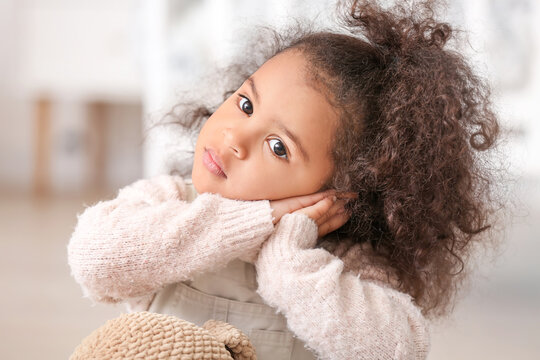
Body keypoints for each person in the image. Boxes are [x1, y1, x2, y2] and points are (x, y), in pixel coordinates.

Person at [68, 1, 501, 359]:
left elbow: (399, 349)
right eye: (245, 104)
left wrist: (289, 260)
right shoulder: (169, 200)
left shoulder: (343, 261)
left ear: (340, 193)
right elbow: (93, 259)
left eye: (278, 148)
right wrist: (252, 223)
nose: (236, 138)